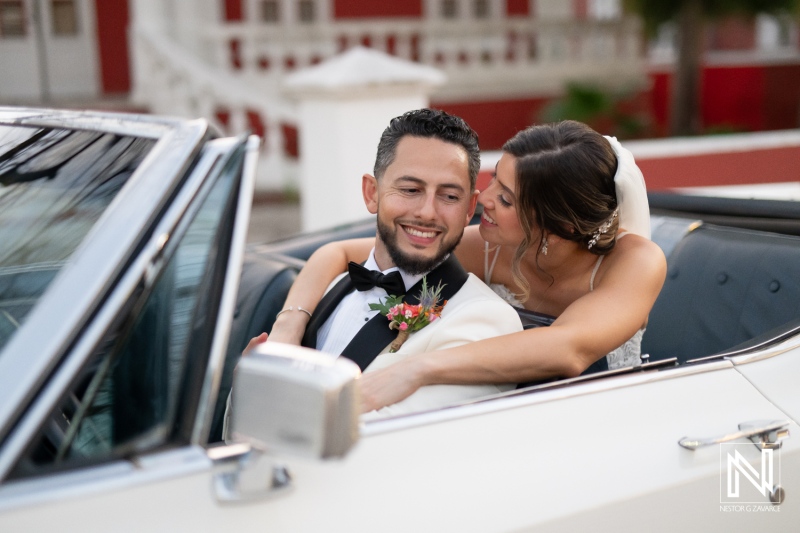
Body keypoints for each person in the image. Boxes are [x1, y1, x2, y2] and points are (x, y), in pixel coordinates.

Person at [266, 119, 667, 413]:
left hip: (602, 414)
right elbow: (335, 253)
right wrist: (286, 331)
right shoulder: (491, 245)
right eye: (495, 181)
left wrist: (416, 369)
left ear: (555, 228)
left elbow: (568, 349)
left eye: (506, 199)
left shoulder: (636, 261)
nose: (483, 200)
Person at [251, 108, 523, 419]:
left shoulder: (486, 323)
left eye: (449, 196)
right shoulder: (328, 286)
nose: (427, 212)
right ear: (372, 193)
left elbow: (382, 443)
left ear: (469, 208)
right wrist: (253, 386)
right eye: (410, 190)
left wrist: (267, 396)